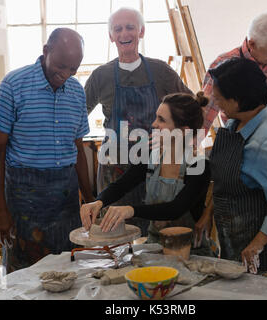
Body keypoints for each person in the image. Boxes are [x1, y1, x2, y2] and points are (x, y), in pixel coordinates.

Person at [0, 28, 93, 273]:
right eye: (61, 66)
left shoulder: (77, 92)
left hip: (66, 200)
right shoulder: (13, 85)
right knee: (24, 277)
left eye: (73, 70)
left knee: (67, 271)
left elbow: (78, 149)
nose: (66, 75)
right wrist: (0, 211)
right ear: (46, 51)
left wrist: (89, 200)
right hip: (24, 200)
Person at [84, 7, 192, 236]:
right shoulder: (101, 76)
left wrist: (179, 147)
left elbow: (191, 109)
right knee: (116, 238)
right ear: (111, 36)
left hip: (155, 171)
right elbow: (75, 117)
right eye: (118, 29)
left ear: (141, 32)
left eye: (130, 27)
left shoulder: (160, 70)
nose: (124, 34)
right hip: (115, 173)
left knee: (154, 237)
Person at [202, 10, 267, 238]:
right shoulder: (224, 65)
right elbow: (206, 113)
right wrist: (182, 147)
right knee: (243, 221)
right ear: (251, 43)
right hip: (240, 151)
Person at [80, 92, 216, 257]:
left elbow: (176, 209)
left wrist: (131, 210)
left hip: (189, 250)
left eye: (161, 120)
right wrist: (98, 202)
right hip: (155, 245)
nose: (153, 124)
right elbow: (122, 184)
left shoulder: (198, 165)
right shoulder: (152, 155)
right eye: (156, 117)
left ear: (183, 131)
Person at [208, 58, 267, 275]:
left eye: (220, 98)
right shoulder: (237, 122)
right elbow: (226, 183)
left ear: (238, 101)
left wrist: (256, 244)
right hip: (234, 237)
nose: (216, 101)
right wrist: (207, 216)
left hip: (265, 251)